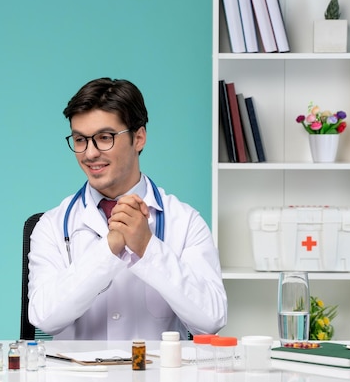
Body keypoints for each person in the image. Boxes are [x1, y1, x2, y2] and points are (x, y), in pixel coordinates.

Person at [27, 77, 227, 340]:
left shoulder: (186, 221)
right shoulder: (52, 226)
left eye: (104, 138)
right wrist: (109, 249)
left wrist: (147, 247)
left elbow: (211, 320)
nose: (90, 153)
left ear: (139, 138)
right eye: (80, 140)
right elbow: (44, 318)